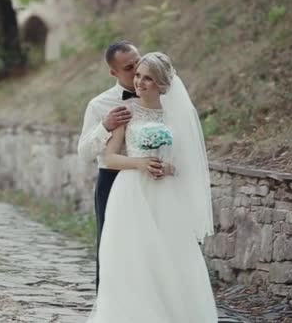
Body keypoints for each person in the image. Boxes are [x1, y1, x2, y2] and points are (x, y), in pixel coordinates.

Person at [86, 52, 217, 322]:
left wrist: (168, 167)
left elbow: (186, 160)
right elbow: (110, 158)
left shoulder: (177, 115)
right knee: (131, 257)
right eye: (137, 76)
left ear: (161, 84)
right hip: (130, 192)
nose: (140, 82)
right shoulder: (127, 111)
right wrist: (140, 163)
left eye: (148, 78)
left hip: (165, 193)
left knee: (170, 257)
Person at [78, 41, 163, 291]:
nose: (137, 68)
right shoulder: (99, 105)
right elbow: (83, 152)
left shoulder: (160, 95)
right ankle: (109, 305)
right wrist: (105, 126)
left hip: (153, 179)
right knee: (111, 246)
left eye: (138, 60)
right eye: (129, 67)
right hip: (113, 180)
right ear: (113, 72)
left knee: (151, 246)